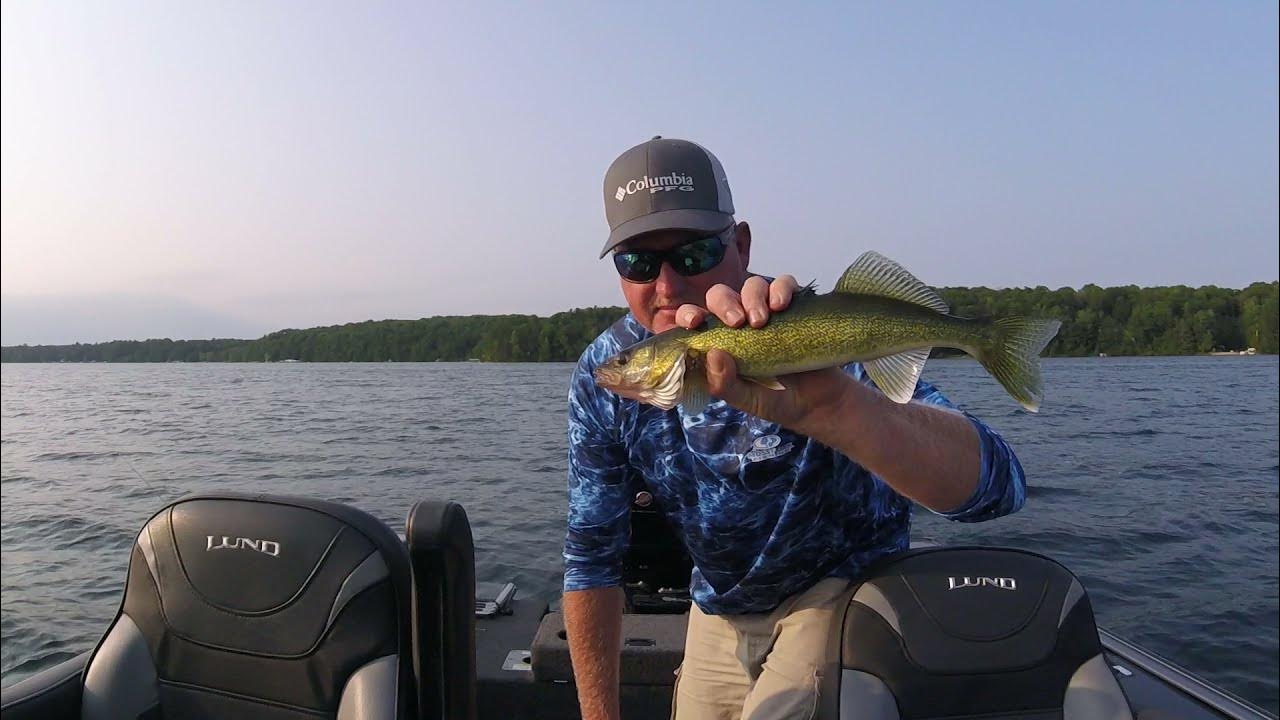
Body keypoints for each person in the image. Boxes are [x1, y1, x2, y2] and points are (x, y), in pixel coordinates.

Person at [563, 137, 1026, 720]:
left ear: (741, 245)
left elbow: (1000, 486)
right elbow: (591, 556)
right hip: (718, 611)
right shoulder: (608, 373)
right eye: (637, 262)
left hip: (842, 594)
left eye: (692, 255)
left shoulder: (815, 341)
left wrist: (842, 409)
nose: (665, 285)